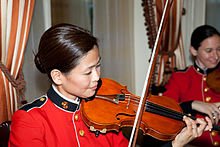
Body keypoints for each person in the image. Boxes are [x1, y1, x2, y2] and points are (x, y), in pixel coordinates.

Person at [8, 24, 212, 147]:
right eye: (88, 72)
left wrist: (176, 143)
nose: (97, 77)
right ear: (58, 76)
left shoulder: (104, 109)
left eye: (98, 66)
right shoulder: (30, 120)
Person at [163, 25, 220, 146]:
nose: (216, 56)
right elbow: (164, 111)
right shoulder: (180, 77)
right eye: (209, 51)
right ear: (194, 50)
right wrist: (192, 104)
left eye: (219, 49)